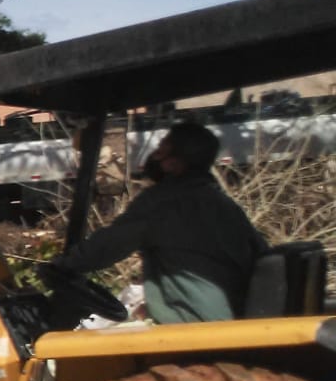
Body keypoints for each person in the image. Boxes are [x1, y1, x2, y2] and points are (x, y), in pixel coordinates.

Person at [54, 121, 266, 324]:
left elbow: (107, 246)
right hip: (233, 321)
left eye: (162, 150)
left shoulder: (162, 202)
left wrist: (63, 265)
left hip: (192, 327)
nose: (154, 156)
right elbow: (258, 253)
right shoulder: (224, 205)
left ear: (176, 162)